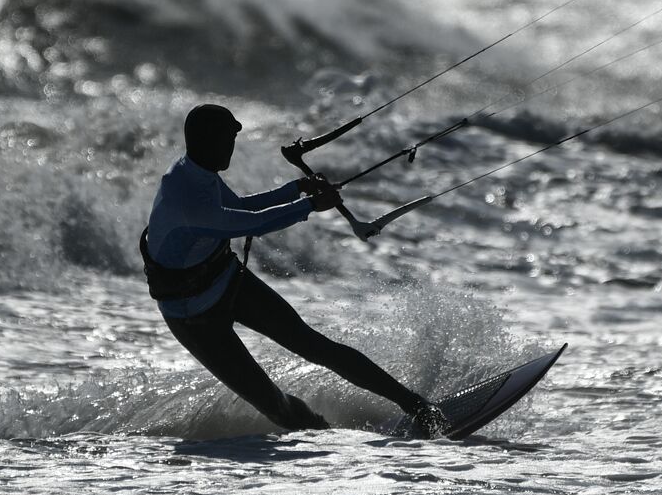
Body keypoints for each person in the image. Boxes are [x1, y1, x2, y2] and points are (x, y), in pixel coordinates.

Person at [141, 103, 441, 434]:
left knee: (316, 346)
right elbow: (247, 224)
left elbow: (239, 206)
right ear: (207, 141)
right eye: (228, 139)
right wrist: (311, 205)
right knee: (276, 407)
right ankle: (324, 436)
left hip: (225, 279)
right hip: (192, 316)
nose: (232, 147)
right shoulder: (185, 196)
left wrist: (296, 189)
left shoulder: (200, 170)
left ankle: (416, 406)